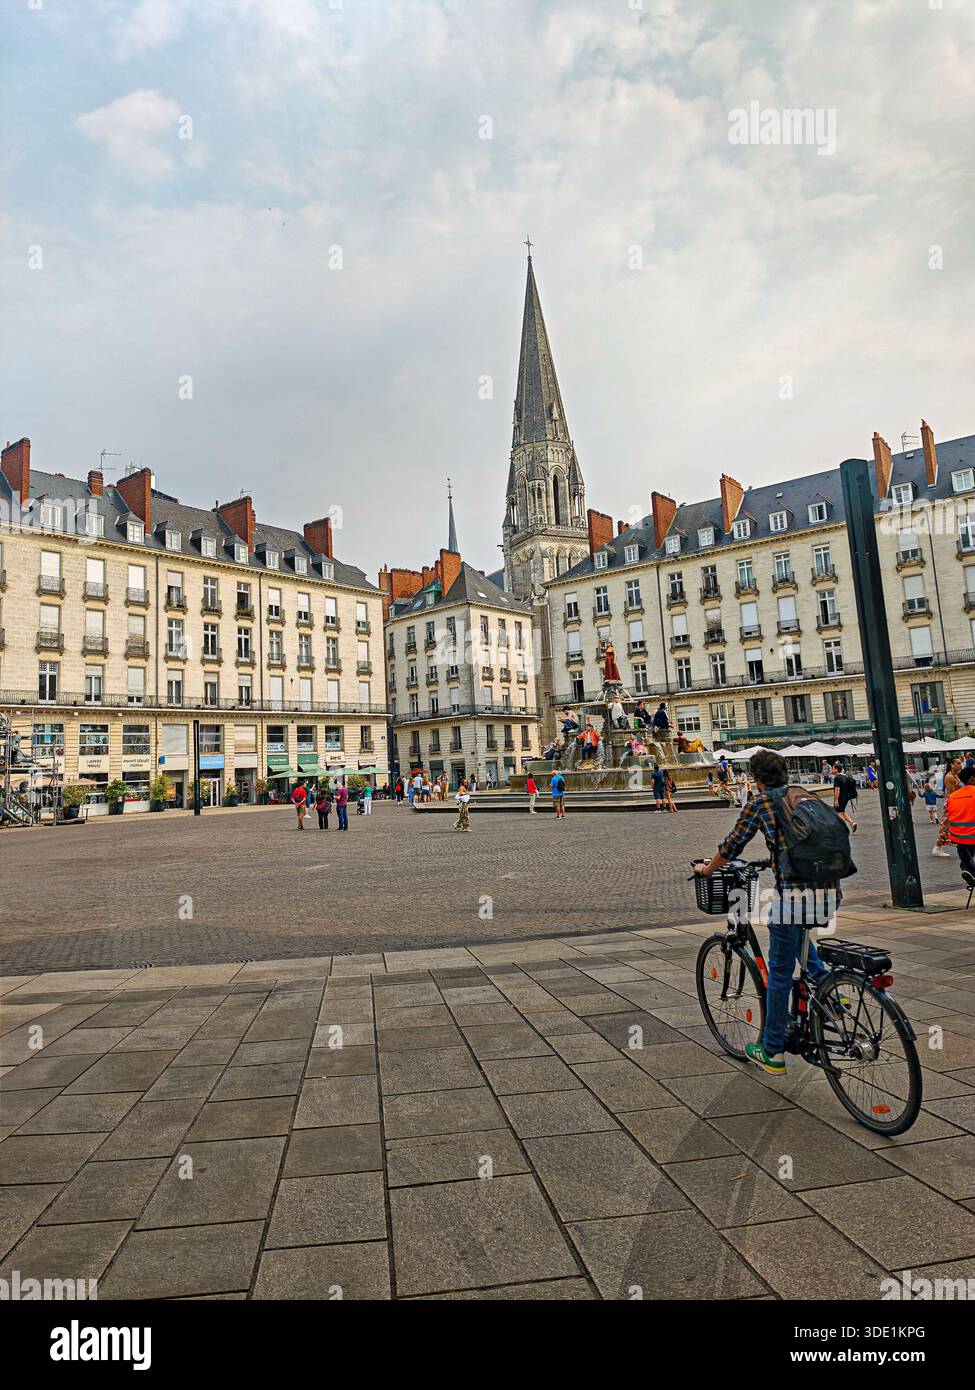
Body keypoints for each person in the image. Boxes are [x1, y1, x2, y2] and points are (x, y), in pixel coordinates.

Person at [695, 750, 841, 1076]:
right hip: (831, 892)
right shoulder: (805, 795)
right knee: (798, 935)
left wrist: (708, 870)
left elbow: (732, 845)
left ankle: (772, 1050)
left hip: (795, 895)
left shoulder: (762, 801)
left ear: (757, 778)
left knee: (779, 972)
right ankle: (831, 992)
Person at [940, 765, 975, 887]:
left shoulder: (952, 796)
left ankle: (969, 871)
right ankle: (971, 871)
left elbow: (947, 816)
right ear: (972, 779)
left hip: (959, 836)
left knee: (964, 855)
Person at [832, 762, 858, 833]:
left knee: (839, 813)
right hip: (846, 797)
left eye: (833, 768)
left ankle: (842, 829)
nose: (832, 770)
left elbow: (837, 789)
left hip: (840, 798)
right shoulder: (845, 776)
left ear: (836, 769)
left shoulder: (837, 778)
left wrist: (836, 800)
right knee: (842, 811)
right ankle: (852, 823)